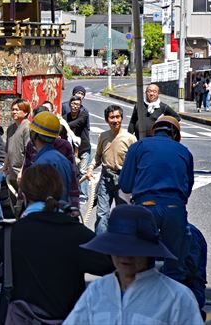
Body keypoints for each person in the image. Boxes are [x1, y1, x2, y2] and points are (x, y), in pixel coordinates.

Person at [0, 165, 113, 325]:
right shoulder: (77, 233)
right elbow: (109, 265)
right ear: (59, 193)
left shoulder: (9, 234)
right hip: (66, 318)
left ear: (23, 195)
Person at [64, 205, 203, 325]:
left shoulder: (176, 297)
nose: (125, 256)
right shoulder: (97, 291)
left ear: (148, 252)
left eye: (134, 250)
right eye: (119, 248)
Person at [120, 115, 194, 287]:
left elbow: (125, 185)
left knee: (142, 265)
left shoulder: (139, 146)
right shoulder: (184, 152)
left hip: (145, 207)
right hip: (174, 207)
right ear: (175, 134)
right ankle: (173, 297)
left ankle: (145, 296)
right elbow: (187, 188)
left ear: (154, 130)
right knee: (175, 265)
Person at [86, 105, 137, 234]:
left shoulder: (130, 138)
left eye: (118, 117)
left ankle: (123, 243)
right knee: (102, 214)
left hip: (123, 181)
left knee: (124, 215)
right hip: (106, 179)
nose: (115, 120)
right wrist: (90, 168)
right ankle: (100, 243)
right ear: (106, 120)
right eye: (112, 117)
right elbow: (98, 156)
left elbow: (136, 162)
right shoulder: (103, 136)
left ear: (122, 118)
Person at [23, 107, 81, 211]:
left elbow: (38, 199)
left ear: (34, 134)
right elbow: (73, 185)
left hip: (46, 214)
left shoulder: (41, 163)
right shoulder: (63, 159)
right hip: (62, 213)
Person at [4, 99, 31, 217]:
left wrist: (22, 171)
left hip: (22, 171)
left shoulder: (27, 127)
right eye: (13, 110)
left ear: (25, 112)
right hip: (11, 171)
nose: (14, 112)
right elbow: (8, 149)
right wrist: (5, 164)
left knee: (23, 202)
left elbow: (28, 151)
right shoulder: (10, 128)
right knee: (14, 201)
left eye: (17, 110)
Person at [64, 95, 91, 206]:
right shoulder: (66, 117)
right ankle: (74, 192)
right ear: (70, 104)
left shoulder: (83, 115)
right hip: (71, 150)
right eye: (74, 104)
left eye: (78, 105)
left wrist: (64, 124)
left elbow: (77, 123)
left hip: (83, 148)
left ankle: (83, 194)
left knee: (83, 171)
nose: (75, 106)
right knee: (73, 172)